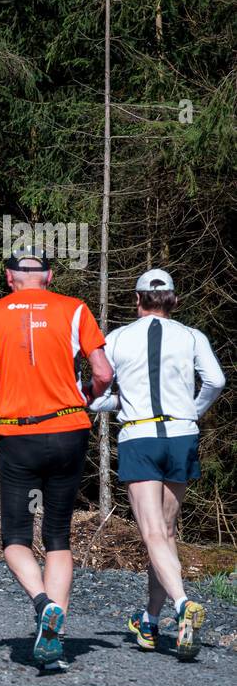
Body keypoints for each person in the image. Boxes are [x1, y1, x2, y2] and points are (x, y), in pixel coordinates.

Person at [0, 246, 112, 668]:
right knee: (59, 536)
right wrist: (87, 395)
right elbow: (102, 372)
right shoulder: (75, 309)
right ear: (48, 277)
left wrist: (8, 377)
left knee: (15, 537)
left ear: (10, 279)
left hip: (18, 435)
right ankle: (56, 632)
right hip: (68, 429)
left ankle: (43, 602)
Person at [88, 269, 225, 660]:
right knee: (165, 532)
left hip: (141, 437)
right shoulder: (192, 336)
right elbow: (215, 381)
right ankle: (149, 620)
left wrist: (122, 402)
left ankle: (183, 605)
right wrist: (189, 411)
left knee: (152, 533)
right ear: (174, 301)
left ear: (137, 300)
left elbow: (97, 396)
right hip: (181, 435)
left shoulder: (116, 338)